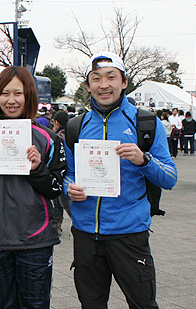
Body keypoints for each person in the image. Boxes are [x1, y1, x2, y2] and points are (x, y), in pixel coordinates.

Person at [64, 52, 177, 308]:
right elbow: (69, 174)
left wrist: (143, 159)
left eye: (111, 77)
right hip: (85, 234)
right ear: (88, 85)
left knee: (143, 304)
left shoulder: (145, 122)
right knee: (91, 304)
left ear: (124, 82)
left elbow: (170, 178)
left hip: (129, 234)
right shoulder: (75, 126)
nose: (104, 85)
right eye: (96, 79)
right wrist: (69, 188)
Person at [0, 66, 66, 308]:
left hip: (35, 238)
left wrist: (37, 169)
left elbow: (55, 188)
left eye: (18, 93)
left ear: (28, 96)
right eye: (5, 93)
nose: (11, 100)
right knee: (3, 305)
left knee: (36, 305)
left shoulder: (46, 137)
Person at [51, 111, 72, 235]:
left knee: (62, 202)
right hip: (68, 171)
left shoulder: (59, 136)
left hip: (61, 172)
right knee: (59, 202)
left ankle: (76, 220)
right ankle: (56, 226)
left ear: (57, 122)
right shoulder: (71, 132)